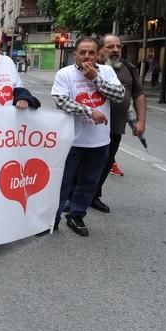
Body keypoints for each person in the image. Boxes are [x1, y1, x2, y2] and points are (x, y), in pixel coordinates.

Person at [50, 36, 125, 236]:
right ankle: (52, 218)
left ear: (98, 54)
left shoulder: (107, 72)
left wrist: (95, 79)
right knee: (63, 182)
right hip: (72, 141)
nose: (86, 56)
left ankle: (76, 215)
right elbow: (61, 101)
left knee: (89, 182)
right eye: (82, 52)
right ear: (74, 54)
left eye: (91, 52)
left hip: (99, 142)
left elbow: (119, 95)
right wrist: (89, 111)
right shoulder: (65, 74)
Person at [89, 35, 147, 213]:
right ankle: (74, 195)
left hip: (115, 126)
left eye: (118, 46)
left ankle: (93, 196)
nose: (115, 50)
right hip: (90, 126)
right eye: (109, 47)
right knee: (86, 162)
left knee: (105, 163)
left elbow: (138, 94)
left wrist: (141, 121)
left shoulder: (128, 68)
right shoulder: (89, 67)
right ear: (100, 51)